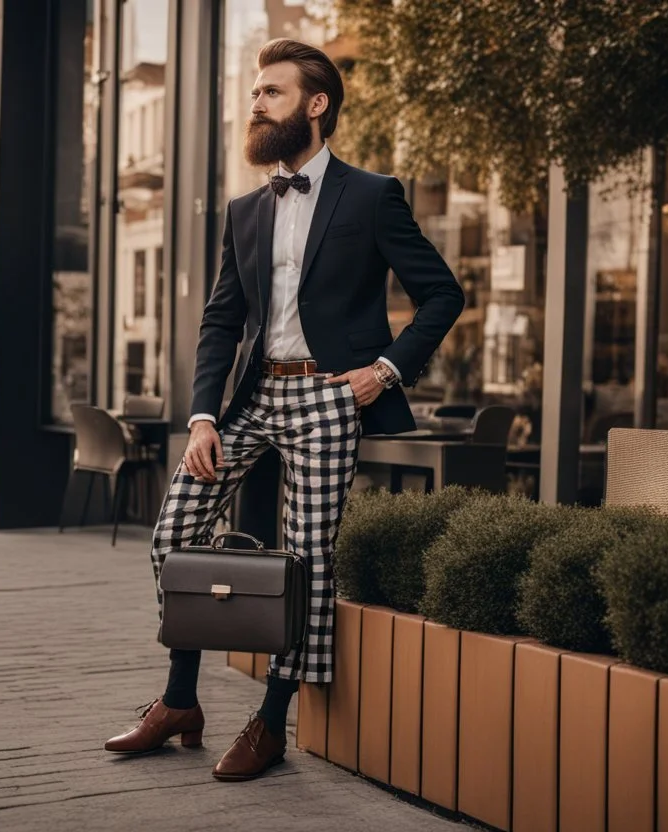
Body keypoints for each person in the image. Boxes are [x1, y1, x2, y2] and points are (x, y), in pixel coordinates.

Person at [103, 39, 464, 781]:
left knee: (306, 560)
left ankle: (271, 721)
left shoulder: (371, 196)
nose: (257, 102)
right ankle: (179, 701)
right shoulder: (244, 210)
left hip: (330, 396)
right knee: (172, 534)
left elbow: (443, 295)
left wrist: (385, 372)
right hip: (252, 394)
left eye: (272, 91)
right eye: (257, 91)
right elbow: (219, 321)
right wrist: (203, 416)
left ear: (316, 103)